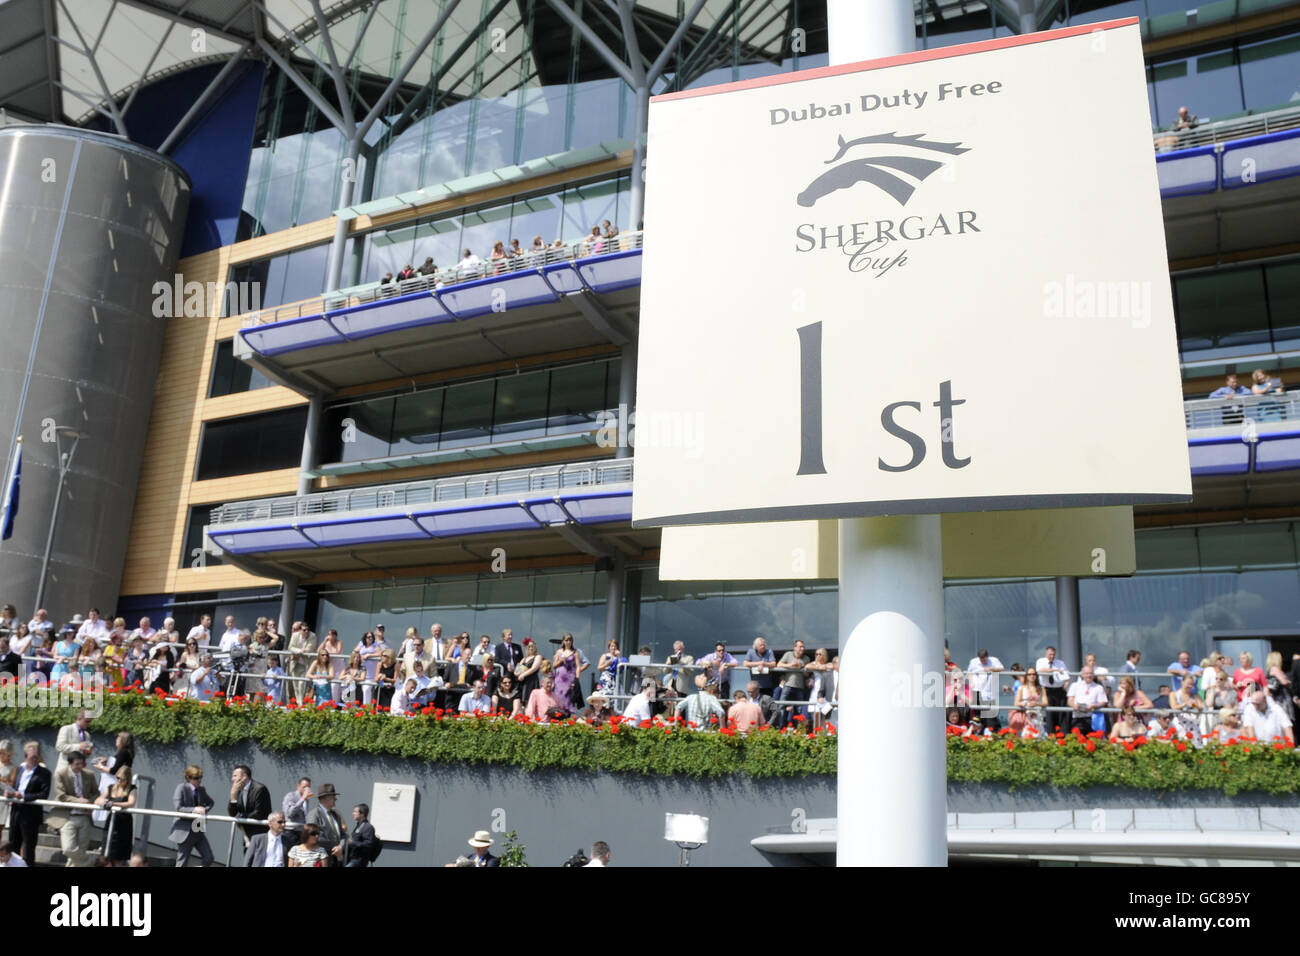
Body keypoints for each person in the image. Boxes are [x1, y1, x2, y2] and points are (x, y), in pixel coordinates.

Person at [6, 742, 49, 865]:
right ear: (26, 756)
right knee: (13, 843)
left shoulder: (44, 773)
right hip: (16, 810)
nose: (35, 760)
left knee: (29, 846)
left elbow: (43, 794)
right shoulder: (19, 769)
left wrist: (24, 796)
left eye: (37, 757)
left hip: (31, 813)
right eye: (32, 757)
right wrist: (10, 793)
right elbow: (15, 787)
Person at [52, 752, 98, 866]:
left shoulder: (89, 774)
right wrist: (78, 801)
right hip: (67, 816)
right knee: (68, 849)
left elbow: (96, 793)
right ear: (69, 764)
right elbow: (61, 795)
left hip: (85, 816)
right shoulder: (61, 774)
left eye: (81, 764)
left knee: (78, 854)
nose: (80, 767)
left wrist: (89, 802)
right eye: (77, 764)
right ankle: (91, 858)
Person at [169, 765, 215, 867]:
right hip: (185, 831)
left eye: (200, 777)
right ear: (188, 778)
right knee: (182, 862)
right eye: (196, 778)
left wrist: (204, 810)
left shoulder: (201, 790)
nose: (199, 780)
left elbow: (211, 802)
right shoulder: (181, 787)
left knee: (209, 858)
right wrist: (195, 809)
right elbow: (178, 808)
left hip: (198, 829)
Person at [97, 764, 137, 863]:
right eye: (118, 778)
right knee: (105, 855)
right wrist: (104, 802)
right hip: (111, 821)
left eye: (122, 779)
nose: (119, 781)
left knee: (119, 857)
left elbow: (131, 803)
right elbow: (98, 799)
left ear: (128, 779)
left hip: (124, 824)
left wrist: (113, 803)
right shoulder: (111, 787)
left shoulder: (132, 788)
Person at [228, 764, 272, 840]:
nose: (232, 779)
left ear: (244, 776)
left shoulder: (259, 789)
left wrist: (241, 818)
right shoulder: (237, 790)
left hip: (260, 833)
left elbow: (259, 813)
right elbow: (232, 814)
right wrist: (233, 796)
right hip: (246, 833)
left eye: (235, 776)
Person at [308, 783, 347, 866]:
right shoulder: (314, 814)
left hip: (336, 860)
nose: (336, 799)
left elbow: (343, 835)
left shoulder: (335, 815)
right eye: (333, 797)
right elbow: (313, 837)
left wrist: (340, 847)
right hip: (321, 860)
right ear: (326, 798)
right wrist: (334, 848)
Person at [773, 639, 809, 728]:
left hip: (799, 686)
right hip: (788, 685)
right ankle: (781, 728)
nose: (802, 648)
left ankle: (798, 730)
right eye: (800, 646)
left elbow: (807, 674)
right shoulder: (788, 654)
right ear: (795, 647)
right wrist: (790, 665)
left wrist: (803, 668)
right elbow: (779, 664)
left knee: (799, 709)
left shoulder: (806, 658)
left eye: (803, 647)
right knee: (782, 706)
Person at [1034, 646, 1070, 733]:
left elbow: (1066, 674)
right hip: (1047, 690)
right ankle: (1051, 735)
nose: (1052, 656)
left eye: (1053, 655)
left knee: (1062, 713)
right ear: (1046, 654)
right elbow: (1040, 671)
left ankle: (1062, 734)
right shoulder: (1041, 661)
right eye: (1050, 654)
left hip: (1059, 689)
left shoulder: (1060, 663)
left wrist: (1066, 683)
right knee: (1050, 713)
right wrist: (1054, 670)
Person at [967, 649, 1005, 731]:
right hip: (977, 690)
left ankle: (992, 731)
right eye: (981, 660)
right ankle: (979, 732)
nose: (983, 661)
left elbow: (1002, 669)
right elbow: (969, 672)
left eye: (984, 659)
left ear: (987, 657)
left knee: (990, 715)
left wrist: (991, 669)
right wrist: (971, 683)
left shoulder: (994, 660)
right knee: (978, 715)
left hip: (989, 692)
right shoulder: (974, 662)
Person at [1066, 665, 1108, 735]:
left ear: (1093, 675)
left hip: (1092, 718)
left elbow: (1103, 702)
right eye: (1086, 673)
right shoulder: (1075, 685)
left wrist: (1095, 706)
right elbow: (1070, 700)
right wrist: (1074, 705)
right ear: (1082, 674)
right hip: (1077, 717)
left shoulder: (1098, 687)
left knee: (1092, 741)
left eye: (1090, 673)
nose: (1089, 675)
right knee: (1078, 740)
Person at [552, 632, 587, 712]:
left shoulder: (575, 652)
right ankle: (558, 714)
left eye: (570, 640)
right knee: (558, 696)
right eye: (566, 640)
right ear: (563, 641)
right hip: (559, 679)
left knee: (568, 697)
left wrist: (577, 679)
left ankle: (567, 715)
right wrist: (560, 660)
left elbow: (578, 666)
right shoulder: (559, 651)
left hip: (570, 678)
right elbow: (554, 665)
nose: (568, 642)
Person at [55, 710, 95, 775]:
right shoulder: (66, 729)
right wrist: (79, 746)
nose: (89, 724)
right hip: (65, 770)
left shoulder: (87, 735)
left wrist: (88, 752)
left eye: (90, 721)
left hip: (79, 771)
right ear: (79, 718)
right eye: (87, 721)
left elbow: (85, 756)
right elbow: (59, 747)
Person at [1169, 674, 1206, 742]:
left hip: (1193, 723)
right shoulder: (1174, 694)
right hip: (1179, 722)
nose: (1190, 686)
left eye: (1192, 684)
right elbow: (1173, 707)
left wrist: (1194, 705)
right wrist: (1185, 704)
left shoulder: (1195, 695)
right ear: (1182, 682)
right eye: (1188, 684)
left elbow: (1201, 707)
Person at [1011, 666, 1047, 736]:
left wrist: (1036, 703)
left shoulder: (1041, 688)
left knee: (1039, 739)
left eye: (1033, 674)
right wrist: (1026, 703)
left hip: (1038, 718)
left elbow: (1045, 702)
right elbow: (1016, 703)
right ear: (1026, 676)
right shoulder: (1021, 688)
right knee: (1027, 739)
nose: (1032, 676)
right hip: (1026, 717)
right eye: (1029, 674)